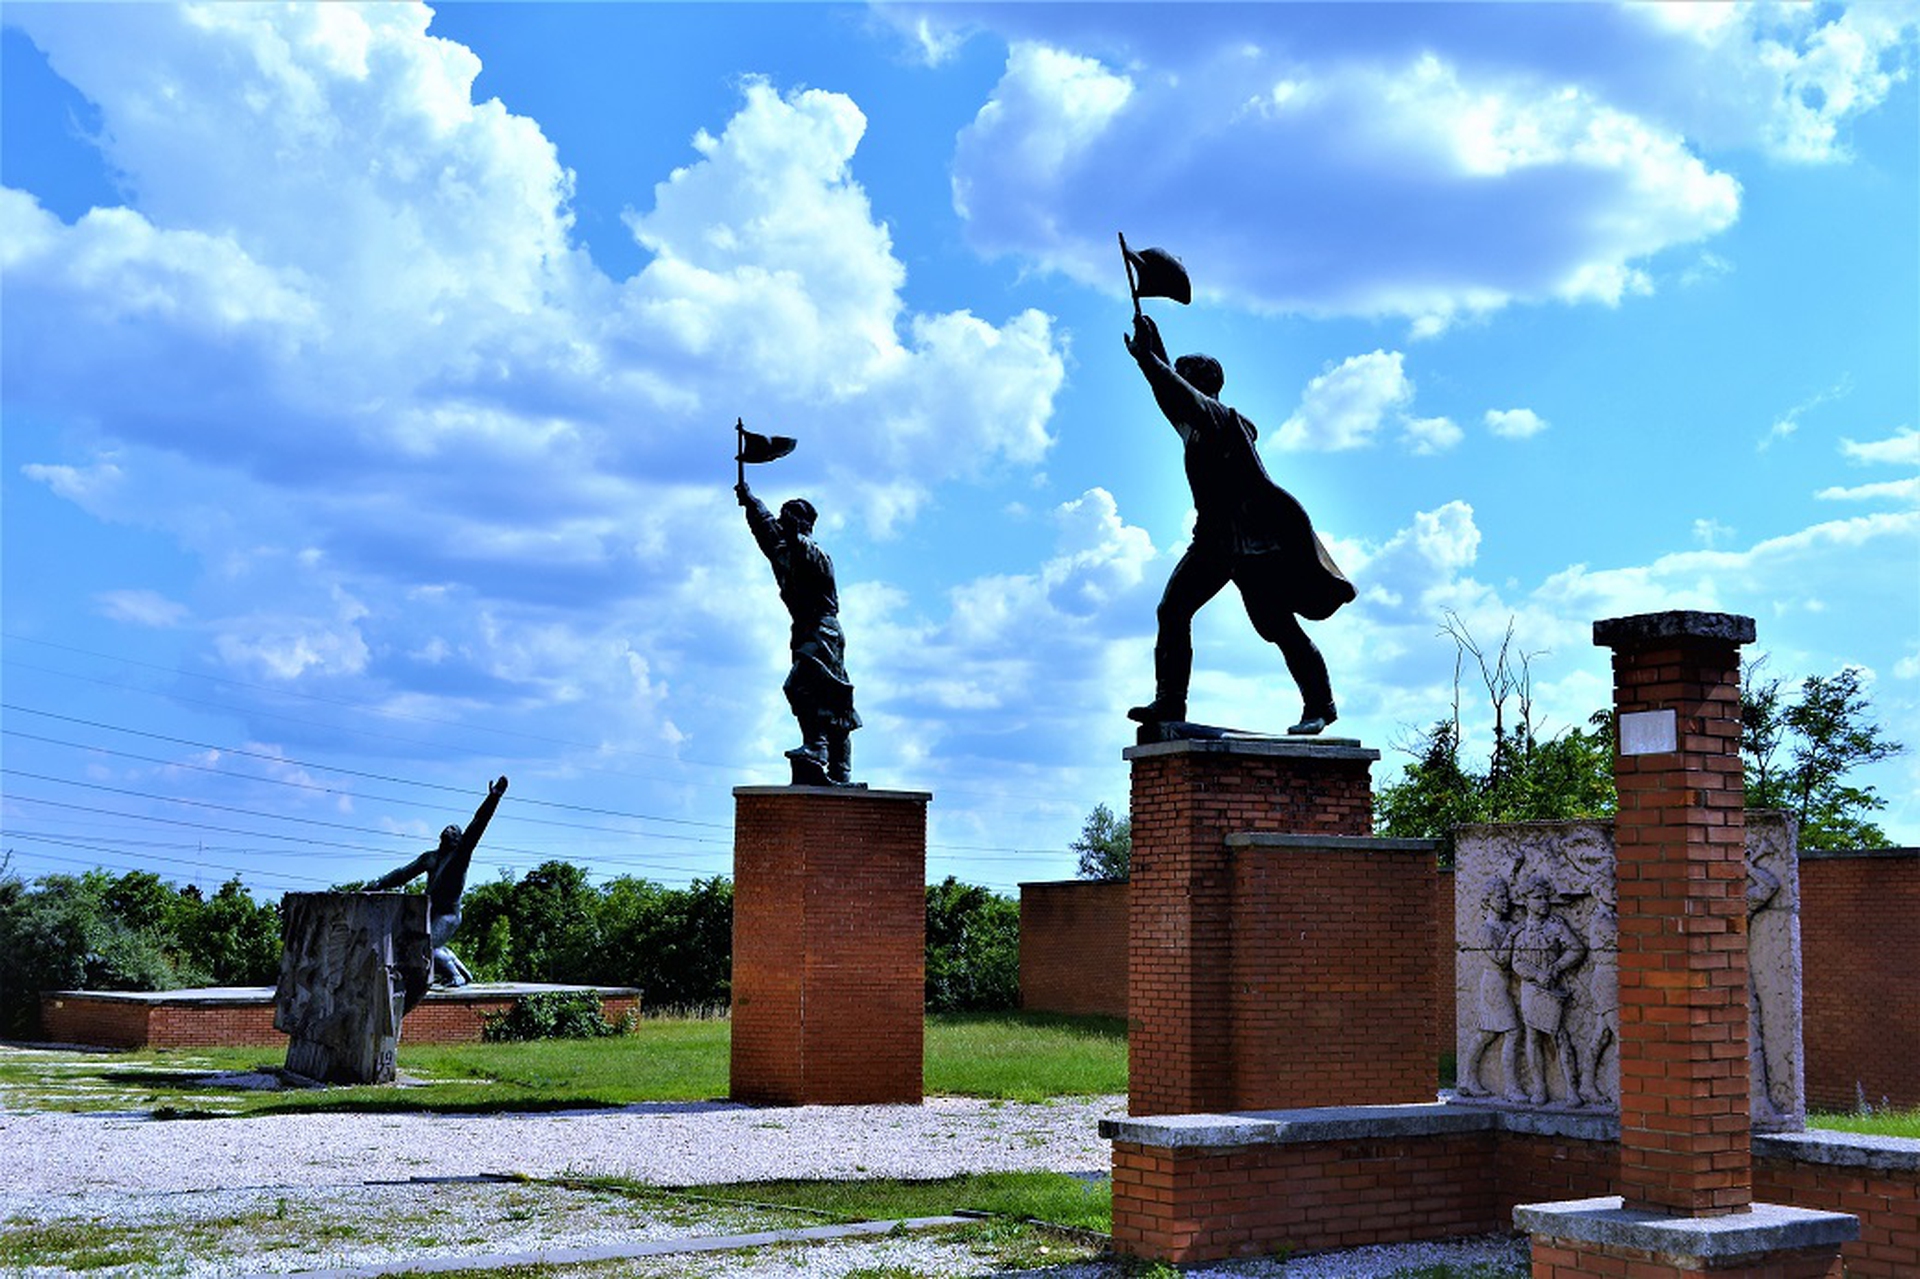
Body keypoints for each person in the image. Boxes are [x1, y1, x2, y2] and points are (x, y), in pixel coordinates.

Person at [1122, 312, 1354, 734]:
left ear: (1203, 383)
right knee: (1172, 609)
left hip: (1250, 547)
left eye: (1184, 374)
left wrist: (1148, 361)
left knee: (1277, 626)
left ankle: (1320, 706)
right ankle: (1170, 702)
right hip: (1212, 543)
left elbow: (1175, 391)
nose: (1177, 379)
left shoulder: (1220, 419)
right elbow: (1168, 395)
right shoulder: (1197, 426)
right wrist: (1153, 347)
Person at [737, 479, 861, 785]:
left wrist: (794, 533)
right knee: (828, 698)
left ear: (804, 524)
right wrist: (750, 499)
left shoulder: (815, 555)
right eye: (782, 517)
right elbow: (764, 529)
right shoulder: (783, 553)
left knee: (803, 687)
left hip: (824, 630)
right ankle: (838, 769)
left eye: (789, 518)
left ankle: (819, 750)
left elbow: (802, 549)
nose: (781, 522)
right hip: (805, 630)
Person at [368, 776, 508, 987]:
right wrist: (379, 884)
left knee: (425, 947)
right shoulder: (430, 857)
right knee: (408, 943)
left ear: (459, 839)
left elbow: (478, 823)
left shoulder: (460, 856)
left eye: (455, 829)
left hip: (448, 915)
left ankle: (455, 976)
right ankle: (457, 965)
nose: (449, 829)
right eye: (448, 827)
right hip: (430, 910)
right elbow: (403, 873)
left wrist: (493, 798)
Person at [1509, 874, 1587, 1106]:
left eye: (1546, 898)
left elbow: (1576, 948)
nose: (1544, 902)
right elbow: (1516, 962)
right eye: (1538, 898)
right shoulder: (1520, 930)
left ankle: (1572, 1090)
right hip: (1531, 989)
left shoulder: (1556, 925)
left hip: (1552, 988)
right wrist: (1535, 974)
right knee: (1532, 1037)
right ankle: (1539, 1088)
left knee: (1560, 1036)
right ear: (1526, 901)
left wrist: (1555, 968)